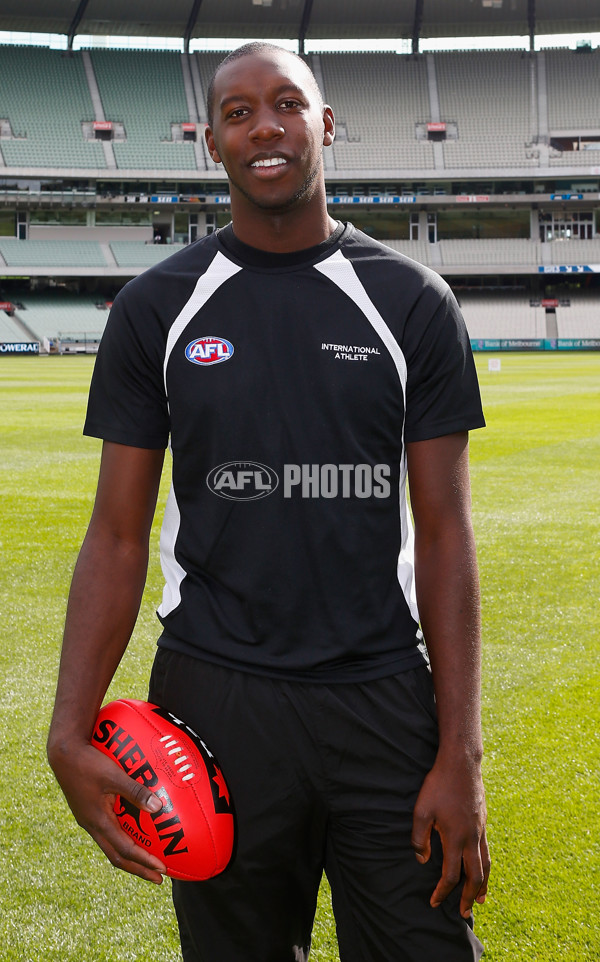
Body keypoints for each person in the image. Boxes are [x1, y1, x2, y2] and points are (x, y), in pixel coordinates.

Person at [47, 42, 490, 962]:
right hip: (216, 707)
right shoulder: (156, 307)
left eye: (288, 104)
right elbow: (119, 534)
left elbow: (446, 536)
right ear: (213, 142)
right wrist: (66, 726)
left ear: (325, 125)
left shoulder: (410, 301)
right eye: (240, 113)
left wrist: (462, 754)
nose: (266, 129)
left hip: (383, 697)